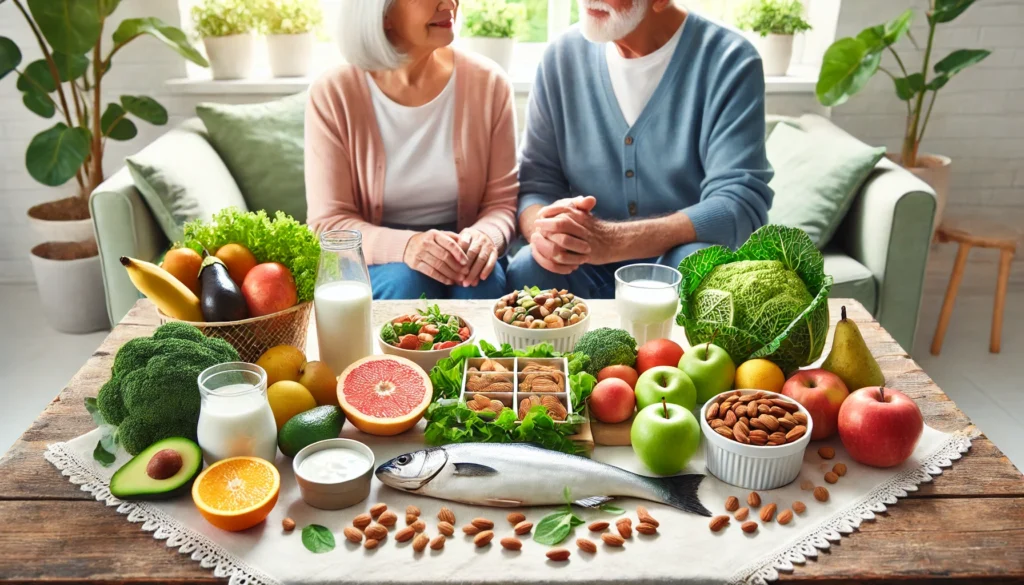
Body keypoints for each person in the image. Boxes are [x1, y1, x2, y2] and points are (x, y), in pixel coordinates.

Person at [508, 0, 774, 298]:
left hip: (676, 260)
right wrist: (546, 233)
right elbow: (536, 186)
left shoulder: (730, 59)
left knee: (697, 267)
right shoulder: (561, 58)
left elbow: (738, 203)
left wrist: (612, 241)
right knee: (529, 267)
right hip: (584, 264)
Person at [306, 0, 519, 299]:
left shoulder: (489, 83)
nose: (450, 3)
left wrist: (485, 237)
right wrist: (407, 246)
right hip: (378, 256)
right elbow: (329, 224)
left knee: (481, 283)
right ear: (382, 15)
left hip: (463, 250)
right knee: (408, 283)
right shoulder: (333, 93)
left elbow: (502, 203)